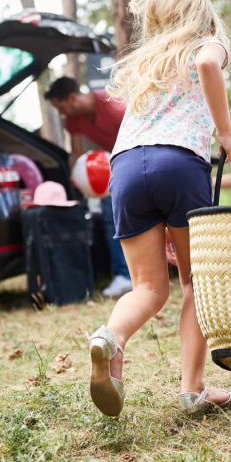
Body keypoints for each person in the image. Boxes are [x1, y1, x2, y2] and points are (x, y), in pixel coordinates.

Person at [86, 0, 231, 418]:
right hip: (179, 163)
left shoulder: (145, 64)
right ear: (200, 12)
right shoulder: (205, 44)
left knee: (149, 288)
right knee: (196, 283)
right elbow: (209, 64)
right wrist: (226, 133)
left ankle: (110, 338)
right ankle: (193, 389)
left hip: (125, 168)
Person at [44, 76, 133, 298]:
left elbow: (138, 138)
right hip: (113, 166)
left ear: (73, 98)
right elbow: (76, 152)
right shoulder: (73, 120)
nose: (61, 114)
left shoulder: (112, 105)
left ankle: (131, 274)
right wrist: (75, 177)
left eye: (61, 107)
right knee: (110, 218)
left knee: (123, 216)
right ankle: (124, 275)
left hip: (134, 156)